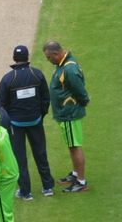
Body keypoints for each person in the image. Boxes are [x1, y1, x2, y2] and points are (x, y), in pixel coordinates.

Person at [0, 44, 54, 200]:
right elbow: (45, 98)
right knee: (41, 154)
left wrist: (10, 120)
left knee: (19, 159)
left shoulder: (8, 79)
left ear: (15, 58)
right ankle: (48, 187)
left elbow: (1, 104)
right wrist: (40, 115)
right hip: (36, 122)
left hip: (16, 125)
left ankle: (25, 192)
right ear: (27, 57)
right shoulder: (37, 75)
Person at [43, 40, 91, 193]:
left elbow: (80, 90)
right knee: (72, 145)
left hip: (70, 114)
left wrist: (83, 102)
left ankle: (81, 182)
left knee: (75, 146)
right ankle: (76, 174)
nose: (48, 61)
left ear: (56, 54)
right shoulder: (62, 65)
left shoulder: (69, 69)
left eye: (49, 58)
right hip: (65, 114)